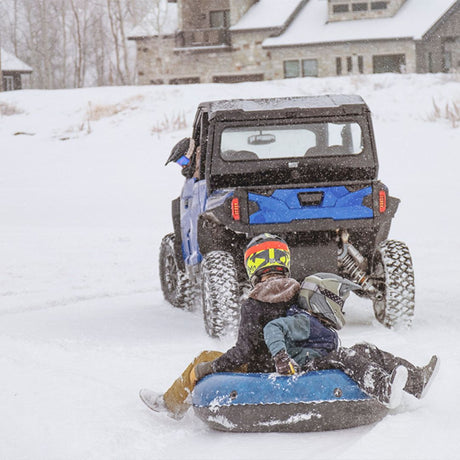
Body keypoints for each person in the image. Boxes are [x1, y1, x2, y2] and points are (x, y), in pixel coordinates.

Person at [139, 233, 301, 419]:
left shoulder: (254, 304)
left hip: (259, 369)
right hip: (294, 364)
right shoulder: (299, 293)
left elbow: (244, 352)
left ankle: (170, 403)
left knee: (203, 358)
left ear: (253, 266)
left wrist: (213, 366)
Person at [263, 272, 440, 409]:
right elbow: (272, 328)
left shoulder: (314, 322)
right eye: (339, 303)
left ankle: (416, 381)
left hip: (319, 362)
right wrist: (281, 357)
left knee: (364, 349)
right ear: (323, 300)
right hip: (305, 368)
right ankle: (382, 389)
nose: (341, 309)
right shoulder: (302, 320)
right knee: (343, 355)